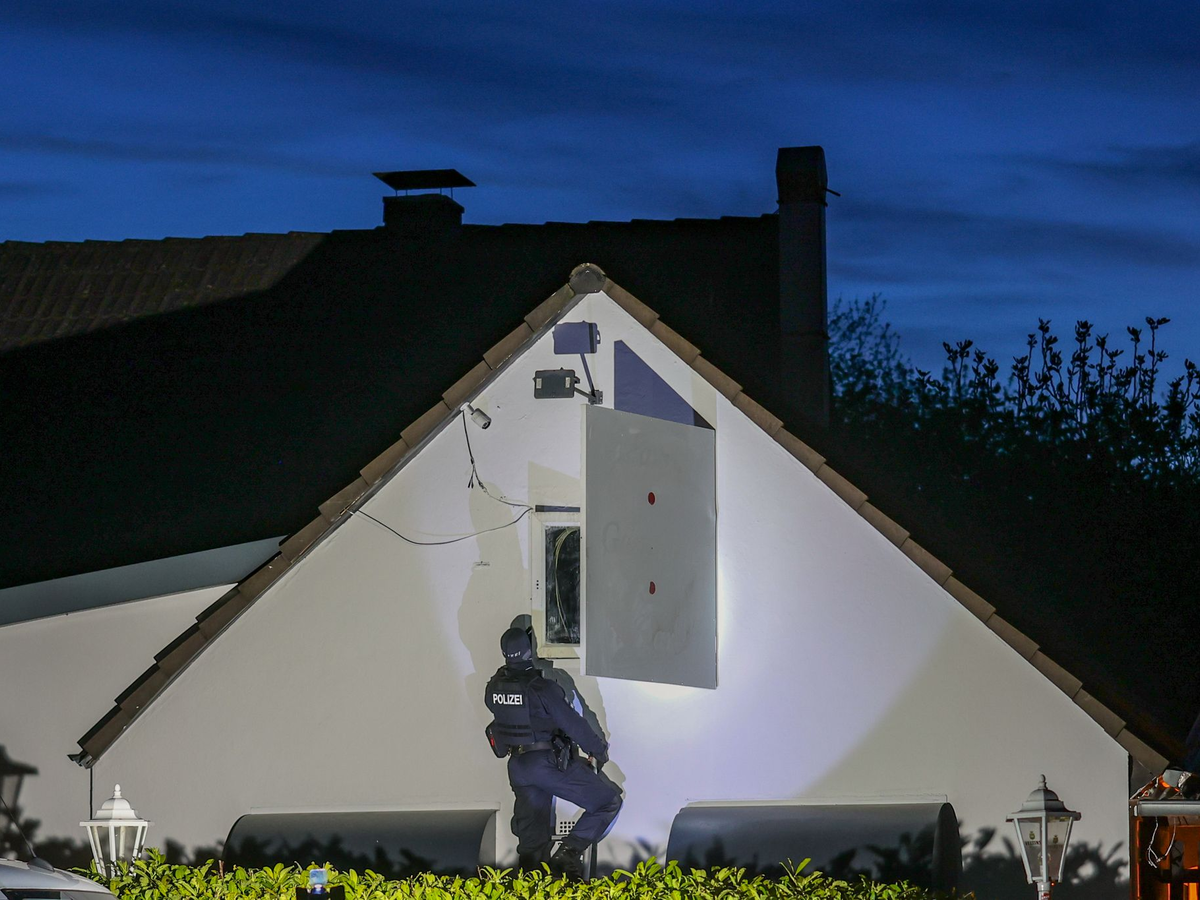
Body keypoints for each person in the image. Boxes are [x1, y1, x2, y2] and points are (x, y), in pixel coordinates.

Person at [484, 626, 622, 880]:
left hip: (518, 767)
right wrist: (598, 751)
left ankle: (531, 885)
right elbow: (574, 724)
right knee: (607, 802)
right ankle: (566, 856)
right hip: (547, 764)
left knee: (532, 842)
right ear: (529, 651)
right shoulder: (542, 688)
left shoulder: (493, 687)